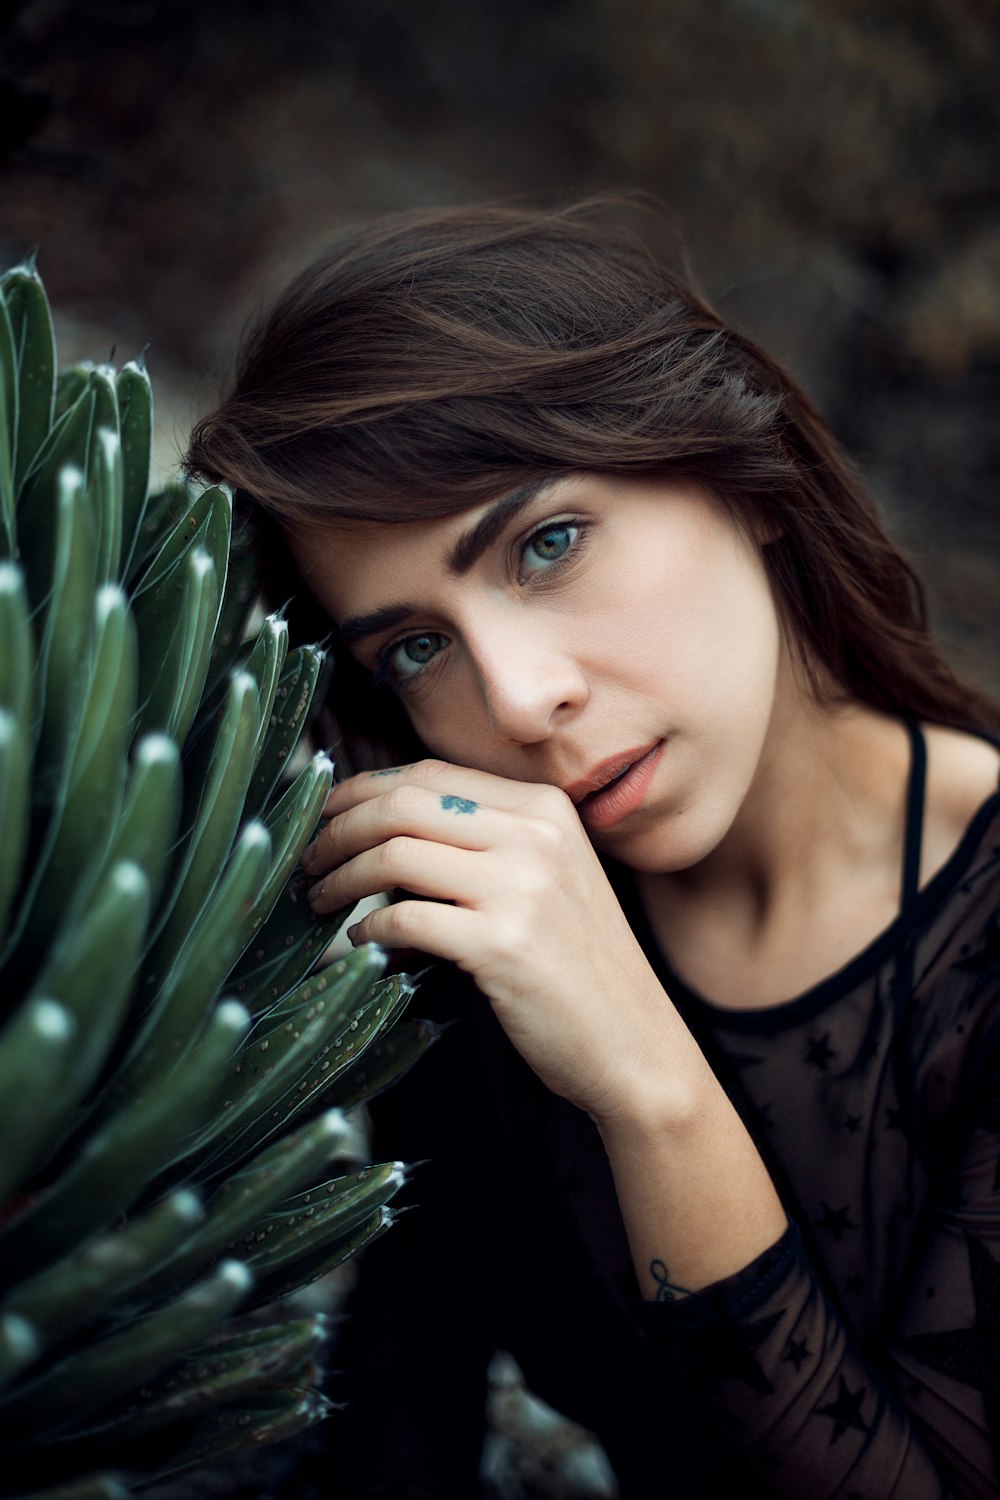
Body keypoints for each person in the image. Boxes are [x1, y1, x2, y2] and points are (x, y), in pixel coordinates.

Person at [185, 200, 1000, 1499]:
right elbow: (408, 1404)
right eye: (415, 647)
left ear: (748, 474)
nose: (514, 701)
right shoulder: (498, 923)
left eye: (546, 543)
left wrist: (652, 1093)